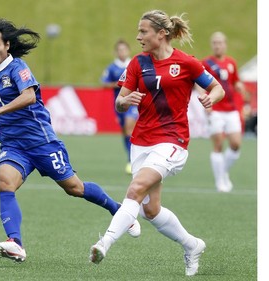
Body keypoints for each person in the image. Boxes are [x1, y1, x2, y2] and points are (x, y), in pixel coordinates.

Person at [0, 18, 140, 263]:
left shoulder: (18, 68)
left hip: (41, 142)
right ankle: (15, 243)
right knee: (5, 183)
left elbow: (28, 96)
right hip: (13, 146)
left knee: (75, 188)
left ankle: (119, 210)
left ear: (7, 44)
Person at [89, 10, 225, 277]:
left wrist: (213, 99)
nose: (138, 37)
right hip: (141, 141)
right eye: (138, 32)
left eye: (143, 32)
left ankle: (103, 243)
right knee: (150, 210)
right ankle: (192, 245)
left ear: (161, 34)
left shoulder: (187, 63)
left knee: (135, 189)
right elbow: (120, 99)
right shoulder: (138, 63)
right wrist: (124, 101)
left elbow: (216, 87)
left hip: (173, 141)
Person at [200, 31, 247, 192]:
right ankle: (220, 181)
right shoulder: (206, 63)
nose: (217, 45)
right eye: (214, 42)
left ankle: (223, 172)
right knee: (218, 144)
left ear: (225, 44)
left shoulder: (231, 63)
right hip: (215, 110)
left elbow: (235, 82)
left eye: (220, 42)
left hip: (231, 109)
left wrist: (239, 86)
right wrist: (206, 101)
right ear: (211, 45)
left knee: (235, 144)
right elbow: (199, 85)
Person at [101, 39, 139, 174]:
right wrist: (121, 84)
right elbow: (104, 84)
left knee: (129, 129)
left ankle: (133, 160)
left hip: (133, 102)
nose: (122, 52)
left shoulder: (134, 64)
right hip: (119, 102)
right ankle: (130, 158)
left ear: (128, 51)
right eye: (119, 50)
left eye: (124, 49)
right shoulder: (112, 68)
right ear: (116, 52)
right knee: (124, 132)